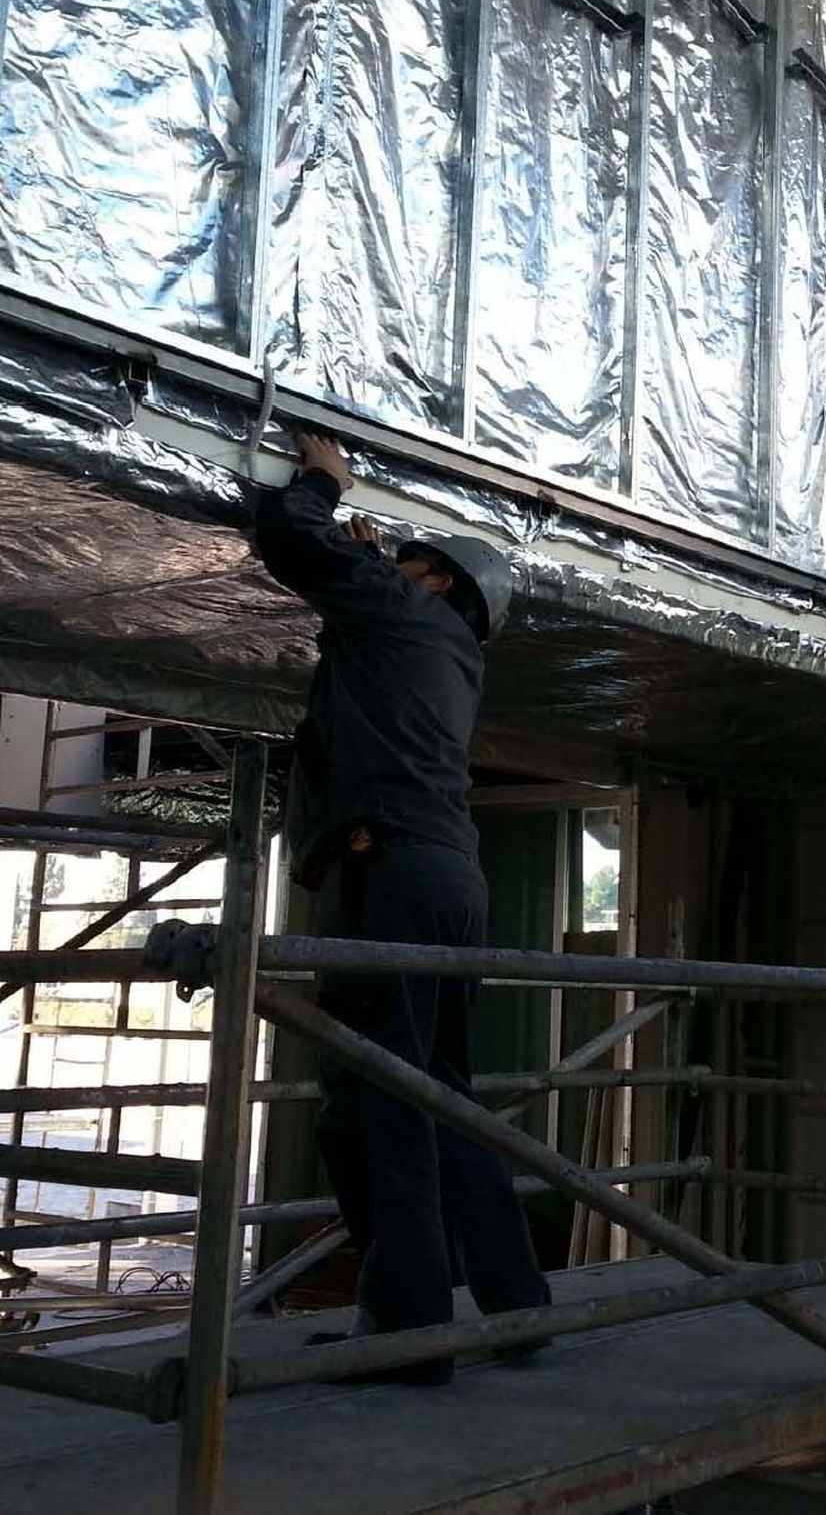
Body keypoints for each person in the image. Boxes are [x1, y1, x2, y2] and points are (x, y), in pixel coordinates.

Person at [254, 428, 550, 1384]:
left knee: (376, 1102)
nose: (394, 565)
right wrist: (375, 560)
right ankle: (515, 1309)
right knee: (444, 1097)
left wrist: (322, 481)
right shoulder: (444, 647)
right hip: (444, 879)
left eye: (409, 563)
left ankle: (407, 1332)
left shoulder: (407, 620)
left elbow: (294, 540)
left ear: (438, 585)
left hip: (392, 881)